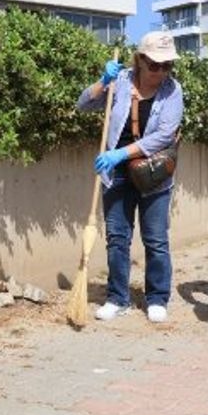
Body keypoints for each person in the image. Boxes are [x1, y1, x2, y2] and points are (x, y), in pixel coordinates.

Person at [76, 32, 184, 324]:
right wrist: (102, 81)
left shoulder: (173, 91)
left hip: (154, 174)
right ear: (140, 60)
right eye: (155, 65)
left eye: (167, 66)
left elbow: (164, 135)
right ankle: (117, 298)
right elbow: (83, 105)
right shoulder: (120, 81)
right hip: (116, 177)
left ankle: (158, 297)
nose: (161, 72)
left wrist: (120, 154)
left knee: (156, 239)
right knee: (117, 239)